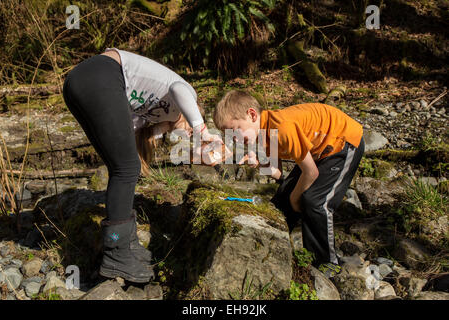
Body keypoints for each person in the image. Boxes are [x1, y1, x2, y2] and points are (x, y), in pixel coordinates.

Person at [62, 48, 217, 283]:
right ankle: (116, 253)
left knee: (122, 165)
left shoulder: (156, 113)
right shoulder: (185, 98)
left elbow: (123, 130)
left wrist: (166, 131)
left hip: (79, 82)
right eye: (187, 126)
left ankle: (126, 244)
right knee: (126, 168)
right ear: (190, 113)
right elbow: (178, 89)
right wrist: (201, 129)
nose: (186, 134)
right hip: (102, 74)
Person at [213, 90, 365, 272]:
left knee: (314, 202)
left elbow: (311, 173)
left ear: (252, 115)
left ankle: (327, 263)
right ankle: (271, 249)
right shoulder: (264, 134)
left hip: (342, 142)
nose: (234, 139)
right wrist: (263, 165)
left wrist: (295, 198)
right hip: (318, 151)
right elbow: (280, 177)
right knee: (282, 200)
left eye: (235, 131)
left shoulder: (282, 128)